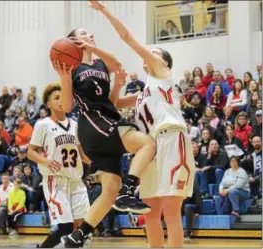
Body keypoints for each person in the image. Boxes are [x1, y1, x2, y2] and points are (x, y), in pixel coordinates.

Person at [71, 1, 195, 248]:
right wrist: (117, 83)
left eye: (155, 52)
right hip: (149, 150)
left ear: (165, 62)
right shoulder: (143, 92)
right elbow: (113, 103)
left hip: (171, 139)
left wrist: (104, 11)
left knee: (170, 210)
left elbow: (127, 37)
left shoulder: (162, 74)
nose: (149, 54)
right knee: (149, 212)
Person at [54, 14, 156, 249]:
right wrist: (65, 80)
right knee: (147, 143)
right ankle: (129, 192)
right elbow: (68, 107)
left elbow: (116, 72)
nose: (89, 35)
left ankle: (77, 236)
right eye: (84, 33)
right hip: (93, 124)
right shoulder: (73, 68)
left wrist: (118, 85)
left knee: (110, 191)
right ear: (73, 42)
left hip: (105, 120)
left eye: (89, 34)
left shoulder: (100, 64)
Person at [27, 83, 91, 248]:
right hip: (56, 181)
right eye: (56, 98)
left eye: (63, 97)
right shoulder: (42, 125)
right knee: (65, 227)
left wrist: (93, 162)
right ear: (49, 104)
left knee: (81, 227)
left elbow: (80, 153)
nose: (61, 100)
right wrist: (45, 160)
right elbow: (30, 152)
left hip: (76, 181)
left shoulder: (75, 124)